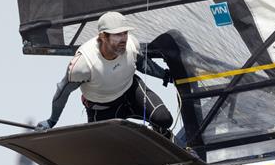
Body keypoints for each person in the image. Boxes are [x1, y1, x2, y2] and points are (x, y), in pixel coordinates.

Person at [36, 11, 174, 137]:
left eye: (125, 33)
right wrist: (52, 121)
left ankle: (161, 134)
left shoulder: (131, 44)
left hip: (131, 92)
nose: (124, 39)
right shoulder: (84, 64)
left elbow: (142, 64)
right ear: (103, 36)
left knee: (164, 119)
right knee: (105, 150)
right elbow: (63, 91)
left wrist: (166, 75)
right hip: (102, 109)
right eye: (117, 34)